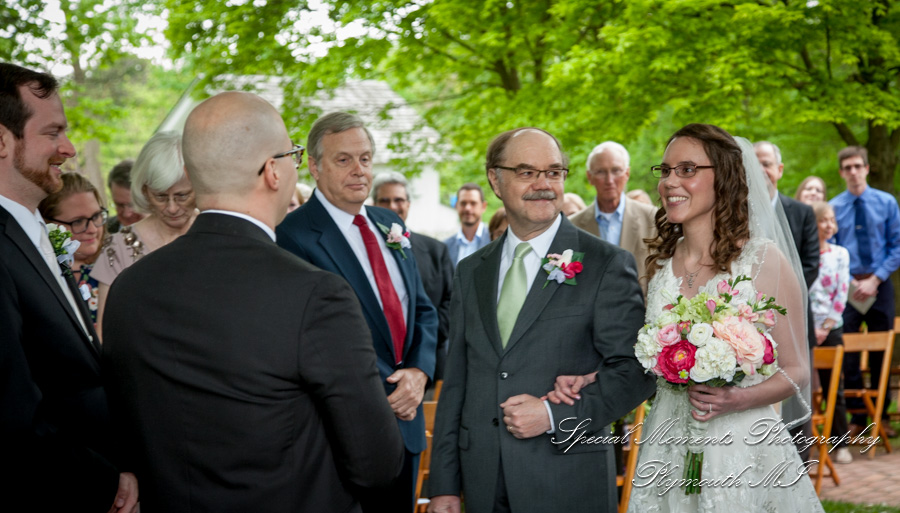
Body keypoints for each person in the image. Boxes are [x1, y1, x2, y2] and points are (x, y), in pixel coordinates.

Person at [102, 91, 404, 512]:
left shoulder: (130, 288)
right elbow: (376, 463)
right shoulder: (315, 294)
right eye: (293, 155)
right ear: (272, 172)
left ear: (192, 173)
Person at [427, 127, 655, 513]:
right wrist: (444, 485)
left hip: (565, 479)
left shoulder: (605, 263)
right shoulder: (470, 272)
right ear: (495, 180)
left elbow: (636, 371)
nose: (544, 184)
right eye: (526, 172)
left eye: (553, 172)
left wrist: (553, 414)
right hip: (481, 479)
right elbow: (458, 382)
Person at [598, 123, 820, 511]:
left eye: (686, 169)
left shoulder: (764, 260)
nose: (669, 182)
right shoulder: (660, 266)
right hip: (666, 442)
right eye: (665, 171)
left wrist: (738, 397)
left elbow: (797, 371)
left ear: (724, 177)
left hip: (741, 447)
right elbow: (643, 363)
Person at [276, 111, 438, 513]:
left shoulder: (390, 223)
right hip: (343, 432)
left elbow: (423, 310)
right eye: (343, 159)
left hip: (408, 417)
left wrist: (418, 373)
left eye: (365, 158)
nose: (359, 170)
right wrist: (384, 389)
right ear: (314, 167)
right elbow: (307, 338)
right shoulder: (291, 236)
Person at [0, 62, 137, 512]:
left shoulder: (30, 231)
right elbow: (14, 412)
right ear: (2, 141)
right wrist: (107, 484)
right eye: (52, 133)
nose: (69, 148)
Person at [92, 131, 197, 340]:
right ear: (144, 190)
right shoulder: (119, 247)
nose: (172, 207)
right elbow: (105, 330)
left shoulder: (217, 235)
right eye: (160, 196)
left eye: (182, 195)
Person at [829, 146, 900, 438]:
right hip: (847, 288)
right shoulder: (833, 207)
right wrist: (849, 280)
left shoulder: (886, 203)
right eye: (847, 167)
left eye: (858, 166)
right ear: (841, 172)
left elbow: (896, 246)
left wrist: (876, 278)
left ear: (867, 168)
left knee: (880, 355)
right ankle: (858, 418)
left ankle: (880, 418)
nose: (853, 172)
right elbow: (830, 249)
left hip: (879, 286)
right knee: (846, 353)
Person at [373, 171, 454, 386]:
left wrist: (419, 340)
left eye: (399, 200)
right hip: (376, 370)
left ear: (408, 204)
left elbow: (452, 301)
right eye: (385, 200)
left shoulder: (436, 250)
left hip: (429, 367)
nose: (392, 206)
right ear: (373, 204)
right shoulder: (362, 252)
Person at [569, 141, 657, 291]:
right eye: (601, 172)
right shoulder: (573, 226)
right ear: (589, 177)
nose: (609, 180)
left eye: (616, 170)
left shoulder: (653, 219)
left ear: (627, 173)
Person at [808, 201, 853, 464]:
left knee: (833, 388)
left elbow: (842, 292)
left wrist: (825, 327)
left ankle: (840, 443)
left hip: (831, 330)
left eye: (831, 220)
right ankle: (803, 442)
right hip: (806, 328)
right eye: (823, 220)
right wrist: (811, 328)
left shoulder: (841, 254)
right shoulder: (807, 255)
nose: (829, 225)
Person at [38, 172, 109, 324]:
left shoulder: (117, 262)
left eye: (96, 216)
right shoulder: (40, 273)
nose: (92, 229)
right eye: (78, 221)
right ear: (48, 223)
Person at [444, 183, 490, 267]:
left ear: (483, 206)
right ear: (456, 205)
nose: (467, 208)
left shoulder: (494, 240)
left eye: (473, 203)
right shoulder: (446, 246)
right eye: (463, 203)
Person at [106, 160, 145, 233]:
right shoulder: (102, 232)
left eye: (132, 205)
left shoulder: (170, 232)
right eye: (119, 205)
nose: (126, 214)